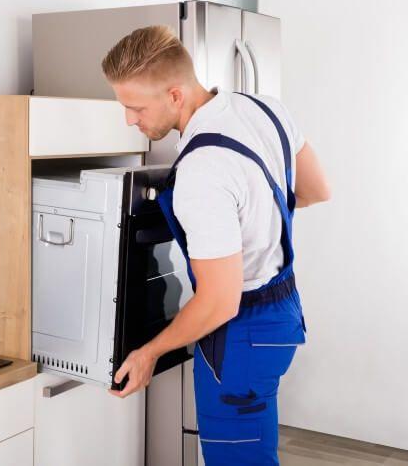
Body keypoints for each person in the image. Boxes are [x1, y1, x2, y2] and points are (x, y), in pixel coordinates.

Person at [101, 25, 331, 465]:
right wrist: (252, 221)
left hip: (240, 335)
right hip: (283, 314)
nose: (129, 119)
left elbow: (220, 302)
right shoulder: (266, 108)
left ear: (174, 95)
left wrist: (149, 354)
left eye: (135, 107)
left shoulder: (201, 172)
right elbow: (316, 189)